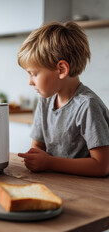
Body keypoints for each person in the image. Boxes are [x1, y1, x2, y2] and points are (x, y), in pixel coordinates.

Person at [17, 21, 109, 177]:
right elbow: (38, 146)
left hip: (89, 191)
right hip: (58, 183)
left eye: (34, 74)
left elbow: (102, 166)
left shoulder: (87, 105)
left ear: (61, 69)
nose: (30, 81)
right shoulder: (45, 101)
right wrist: (35, 158)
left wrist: (49, 162)